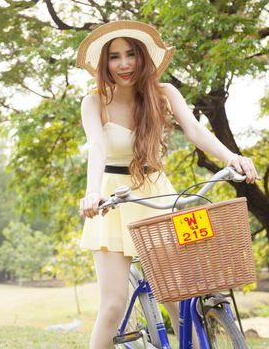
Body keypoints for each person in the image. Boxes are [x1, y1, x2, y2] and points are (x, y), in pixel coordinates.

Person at [75, 20, 259, 349]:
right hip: (114, 199)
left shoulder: (164, 93)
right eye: (115, 57)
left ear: (143, 56)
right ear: (105, 63)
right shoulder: (94, 102)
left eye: (131, 54)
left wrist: (233, 157)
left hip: (159, 194)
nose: (124, 64)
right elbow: (97, 149)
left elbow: (195, 131)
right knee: (113, 306)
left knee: (179, 296)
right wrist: (93, 193)